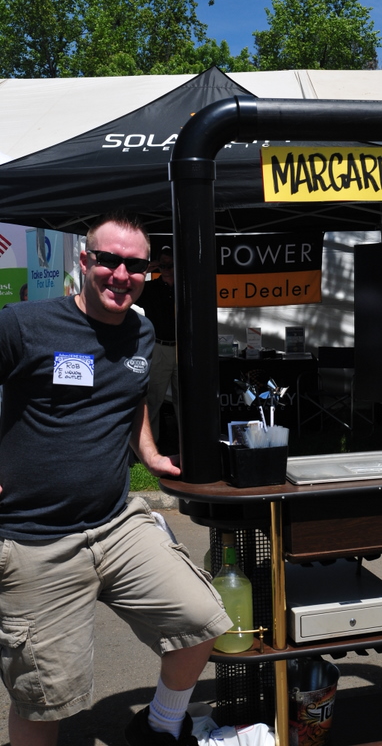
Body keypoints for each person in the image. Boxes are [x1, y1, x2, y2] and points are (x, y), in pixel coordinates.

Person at [0, 212, 231, 746]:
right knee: (46, 698)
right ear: (85, 261)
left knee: (201, 621)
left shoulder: (141, 332)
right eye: (109, 260)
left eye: (136, 266)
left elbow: (131, 397)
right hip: (36, 539)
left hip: (116, 524)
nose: (121, 275)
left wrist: (148, 452)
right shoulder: (24, 324)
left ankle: (159, 727)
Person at [137, 245, 179, 447]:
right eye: (163, 265)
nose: (166, 269)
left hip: (183, 348)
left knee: (185, 400)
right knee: (153, 400)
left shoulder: (185, 287)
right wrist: (145, 269)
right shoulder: (150, 288)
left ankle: (188, 445)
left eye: (170, 265)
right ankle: (150, 448)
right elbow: (131, 288)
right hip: (160, 347)